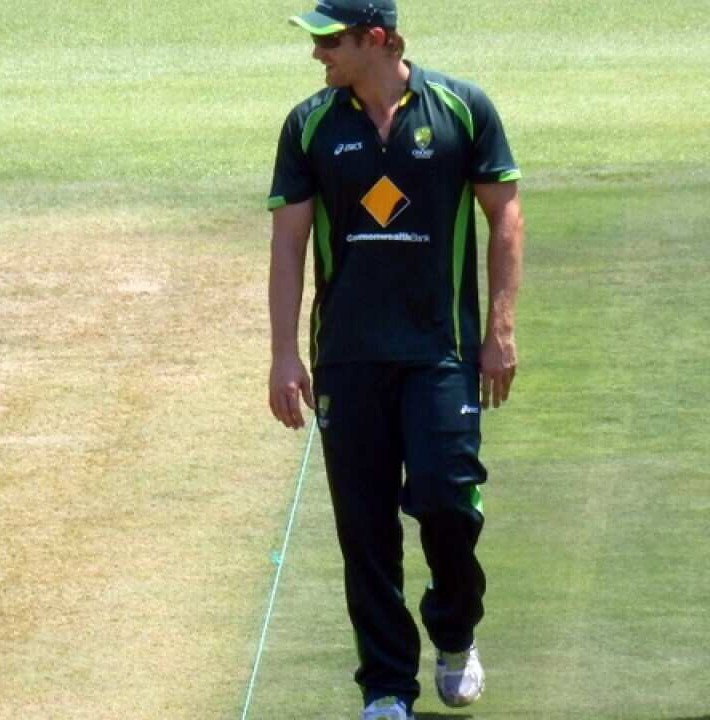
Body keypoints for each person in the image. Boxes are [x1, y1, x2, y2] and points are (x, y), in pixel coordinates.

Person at [265, 1, 526, 719]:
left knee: (447, 503)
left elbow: (505, 215)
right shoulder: (310, 124)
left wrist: (500, 331)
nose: (318, 54)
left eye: (330, 40)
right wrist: (284, 355)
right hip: (348, 358)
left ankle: (455, 631)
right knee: (366, 529)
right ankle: (385, 687)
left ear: (375, 39)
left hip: (440, 352)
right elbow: (289, 244)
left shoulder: (461, 109)